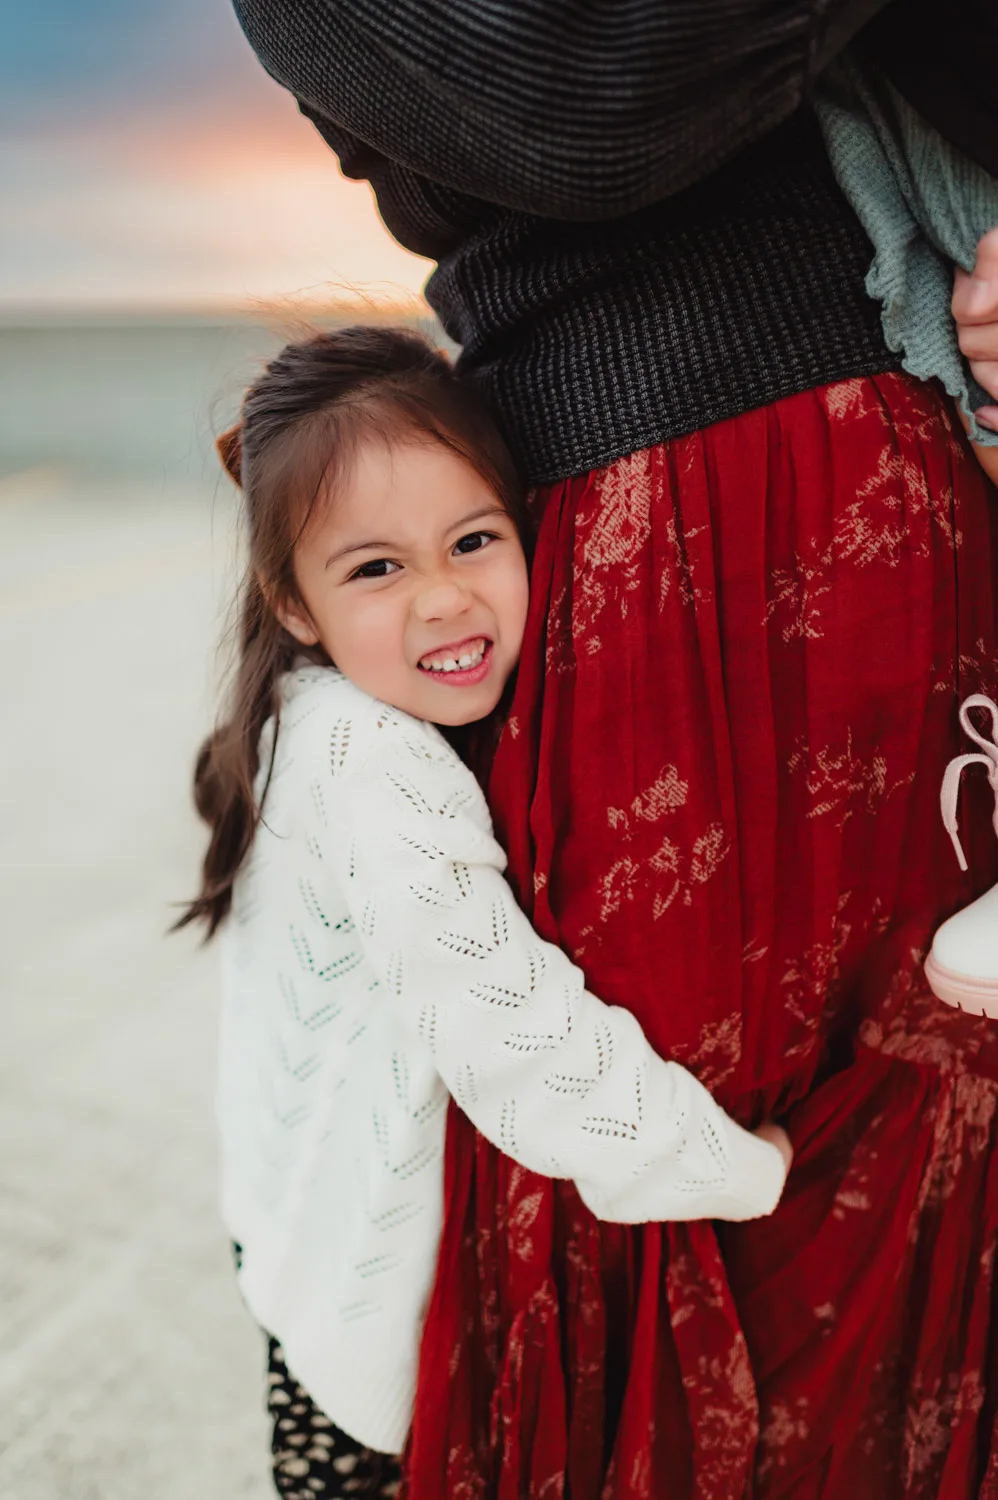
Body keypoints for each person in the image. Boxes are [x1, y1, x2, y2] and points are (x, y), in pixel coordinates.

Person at [229, 2, 998, 1492]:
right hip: (652, 540)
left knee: (934, 1113)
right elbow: (583, 102)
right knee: (693, 1166)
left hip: (912, 487)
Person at [179, 325, 792, 1498]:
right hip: (363, 1311)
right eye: (375, 569)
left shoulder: (291, 720)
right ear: (290, 602)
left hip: (284, 1228)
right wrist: (737, 1167)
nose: (444, 598)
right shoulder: (375, 760)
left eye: (472, 540)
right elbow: (522, 1046)